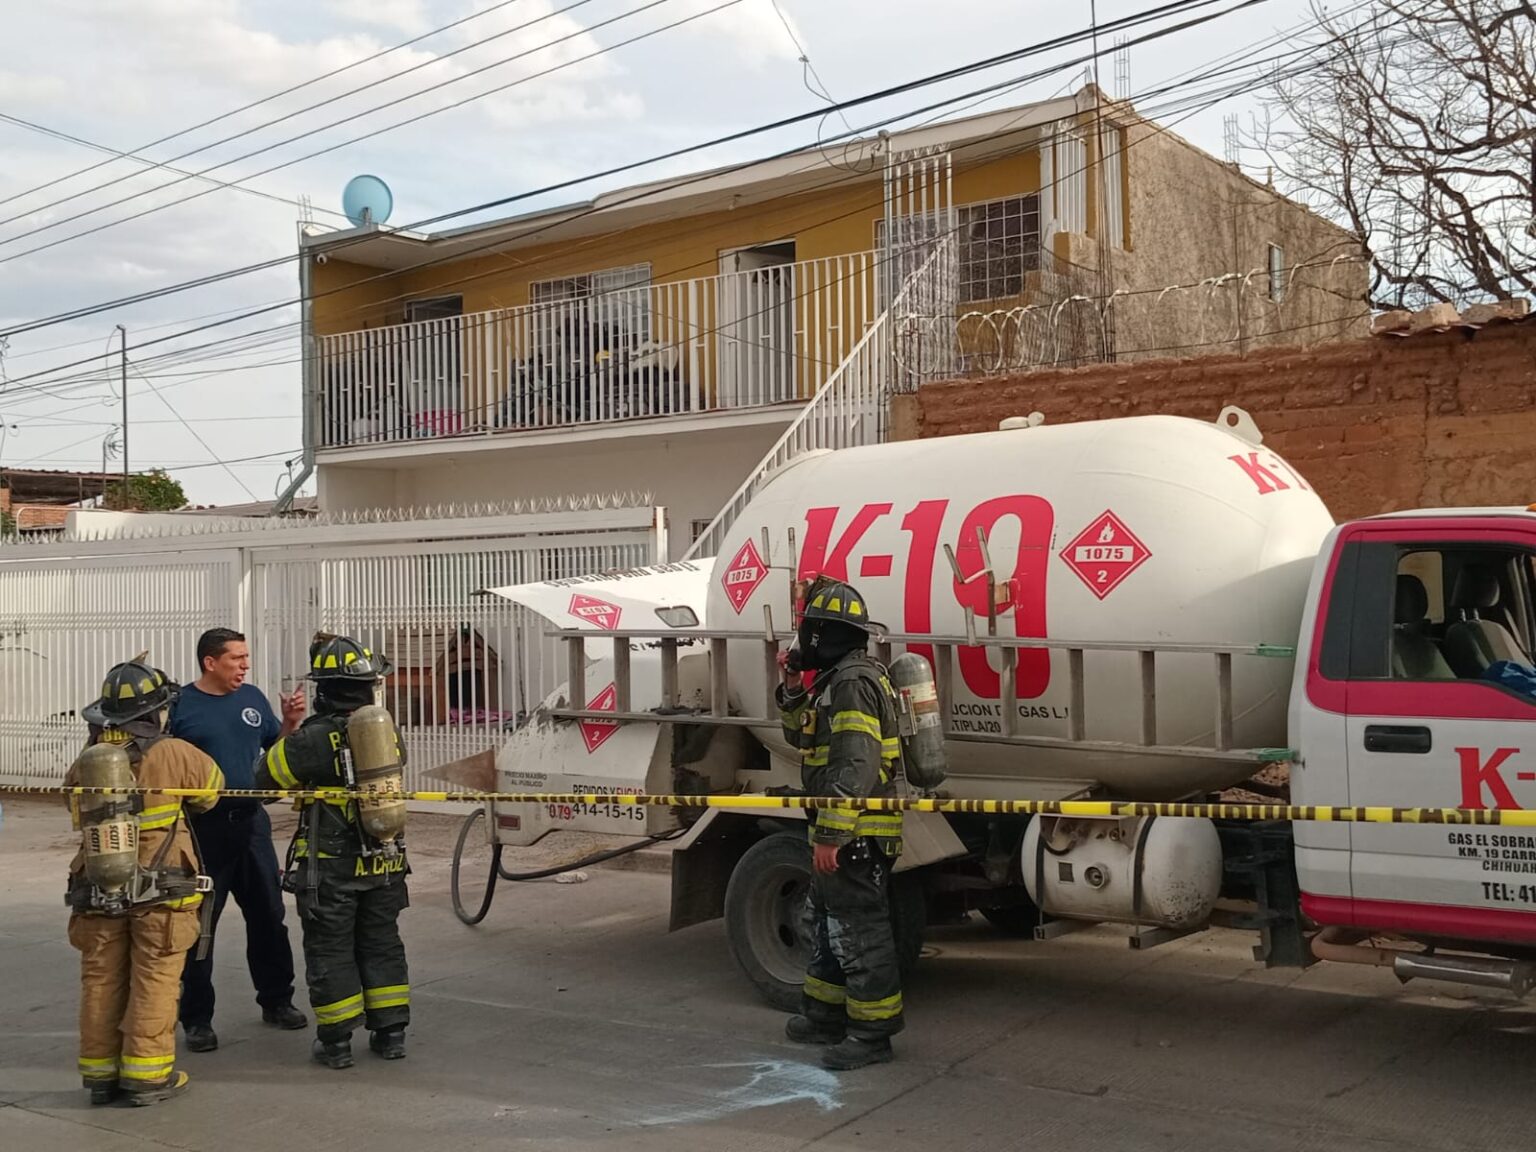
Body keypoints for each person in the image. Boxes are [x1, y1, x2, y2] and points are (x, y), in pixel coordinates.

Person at [65, 659, 225, 1107]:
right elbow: (212, 792)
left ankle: (100, 1078)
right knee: (154, 979)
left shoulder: (88, 761)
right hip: (162, 891)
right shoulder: (173, 753)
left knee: (100, 981)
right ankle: (148, 1077)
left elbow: (76, 813)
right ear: (155, 711)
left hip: (97, 888)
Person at [256, 633, 411, 1070]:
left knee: (331, 949)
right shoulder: (385, 730)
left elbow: (261, 781)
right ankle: (392, 1033)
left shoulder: (311, 740)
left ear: (324, 688)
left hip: (329, 867)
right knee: (381, 943)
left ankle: (338, 1042)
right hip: (385, 858)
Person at [776, 578, 906, 1070]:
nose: (802, 640)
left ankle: (873, 1035)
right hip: (844, 829)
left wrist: (832, 833)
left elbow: (856, 764)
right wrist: (791, 686)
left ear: (824, 632)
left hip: (858, 832)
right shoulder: (837, 678)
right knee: (829, 926)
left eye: (807, 630)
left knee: (859, 932)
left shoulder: (853, 682)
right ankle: (823, 1016)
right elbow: (802, 741)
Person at [171, 628, 308, 1052]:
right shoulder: (180, 708)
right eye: (236, 658)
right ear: (210, 662)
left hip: (252, 826)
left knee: (268, 916)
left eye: (246, 658)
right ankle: (197, 1020)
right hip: (203, 831)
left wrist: (288, 723)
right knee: (200, 927)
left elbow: (275, 753)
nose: (245, 666)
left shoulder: (251, 699)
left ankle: (277, 1001)